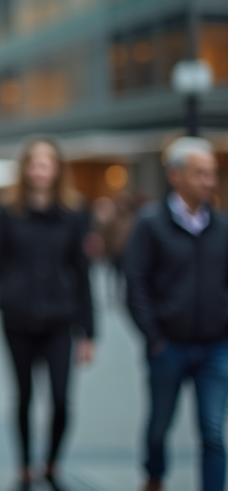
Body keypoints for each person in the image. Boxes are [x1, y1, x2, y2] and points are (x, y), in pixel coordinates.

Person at [0, 137, 96, 491]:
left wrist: (90, 332)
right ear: (25, 169)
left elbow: (83, 274)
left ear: (57, 170)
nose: (40, 169)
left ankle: (53, 465)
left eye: (47, 163)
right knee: (23, 396)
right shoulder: (7, 214)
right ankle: (25, 467)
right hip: (18, 319)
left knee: (60, 399)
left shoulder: (73, 215)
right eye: (34, 163)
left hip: (60, 320)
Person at [125, 137, 227, 491]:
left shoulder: (222, 226)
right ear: (176, 176)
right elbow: (134, 281)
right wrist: (153, 336)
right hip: (168, 345)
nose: (209, 182)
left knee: (213, 434)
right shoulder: (151, 224)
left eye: (212, 174)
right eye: (200, 174)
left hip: (215, 347)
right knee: (159, 427)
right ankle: (154, 477)